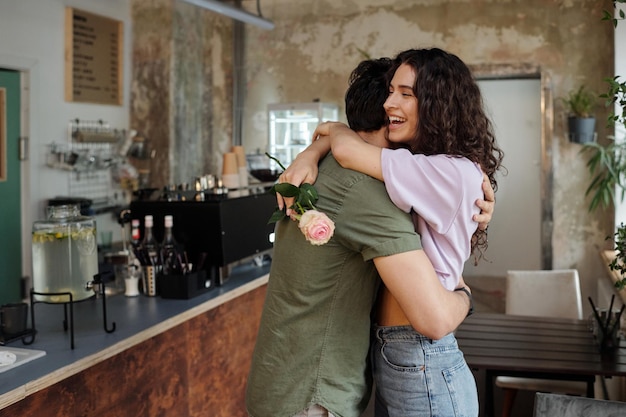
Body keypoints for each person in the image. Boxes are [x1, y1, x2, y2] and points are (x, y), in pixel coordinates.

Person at [246, 56, 495, 417]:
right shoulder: (366, 192)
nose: (394, 103)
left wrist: (321, 143)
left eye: (406, 94)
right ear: (387, 116)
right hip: (314, 392)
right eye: (393, 94)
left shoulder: (325, 174)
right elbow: (435, 318)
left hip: (289, 383)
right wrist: (465, 295)